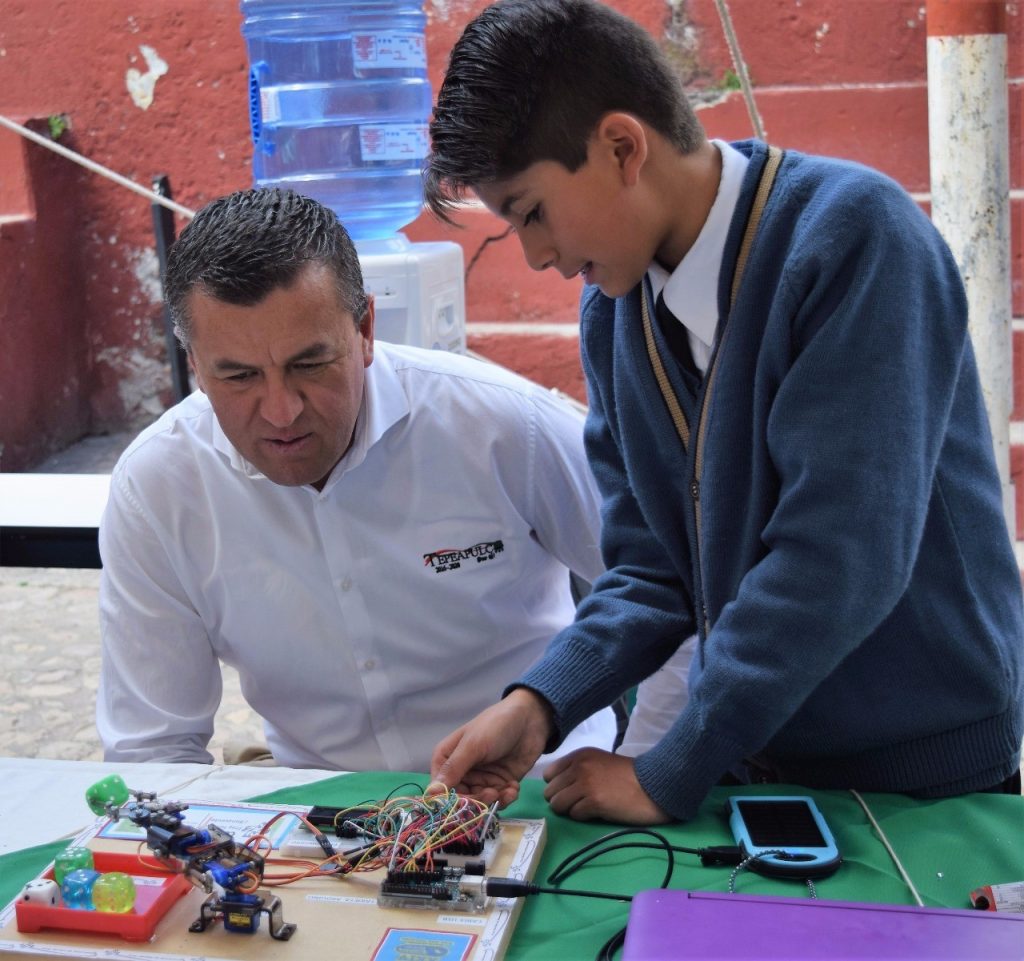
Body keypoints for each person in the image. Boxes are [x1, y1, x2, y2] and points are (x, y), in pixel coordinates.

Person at [423, 0, 1024, 823]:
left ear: (622, 147)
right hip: (758, 762)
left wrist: (668, 769)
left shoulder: (853, 239)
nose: (536, 255)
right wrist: (541, 701)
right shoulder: (615, 312)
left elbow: (838, 556)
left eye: (531, 212)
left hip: (919, 773)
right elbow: (650, 567)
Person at [96, 186, 618, 774]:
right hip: (318, 811)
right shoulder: (158, 488)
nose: (281, 411)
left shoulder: (506, 427)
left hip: (540, 790)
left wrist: (645, 766)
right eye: (239, 377)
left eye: (309, 364)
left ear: (366, 329)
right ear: (194, 363)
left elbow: (668, 592)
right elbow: (152, 749)